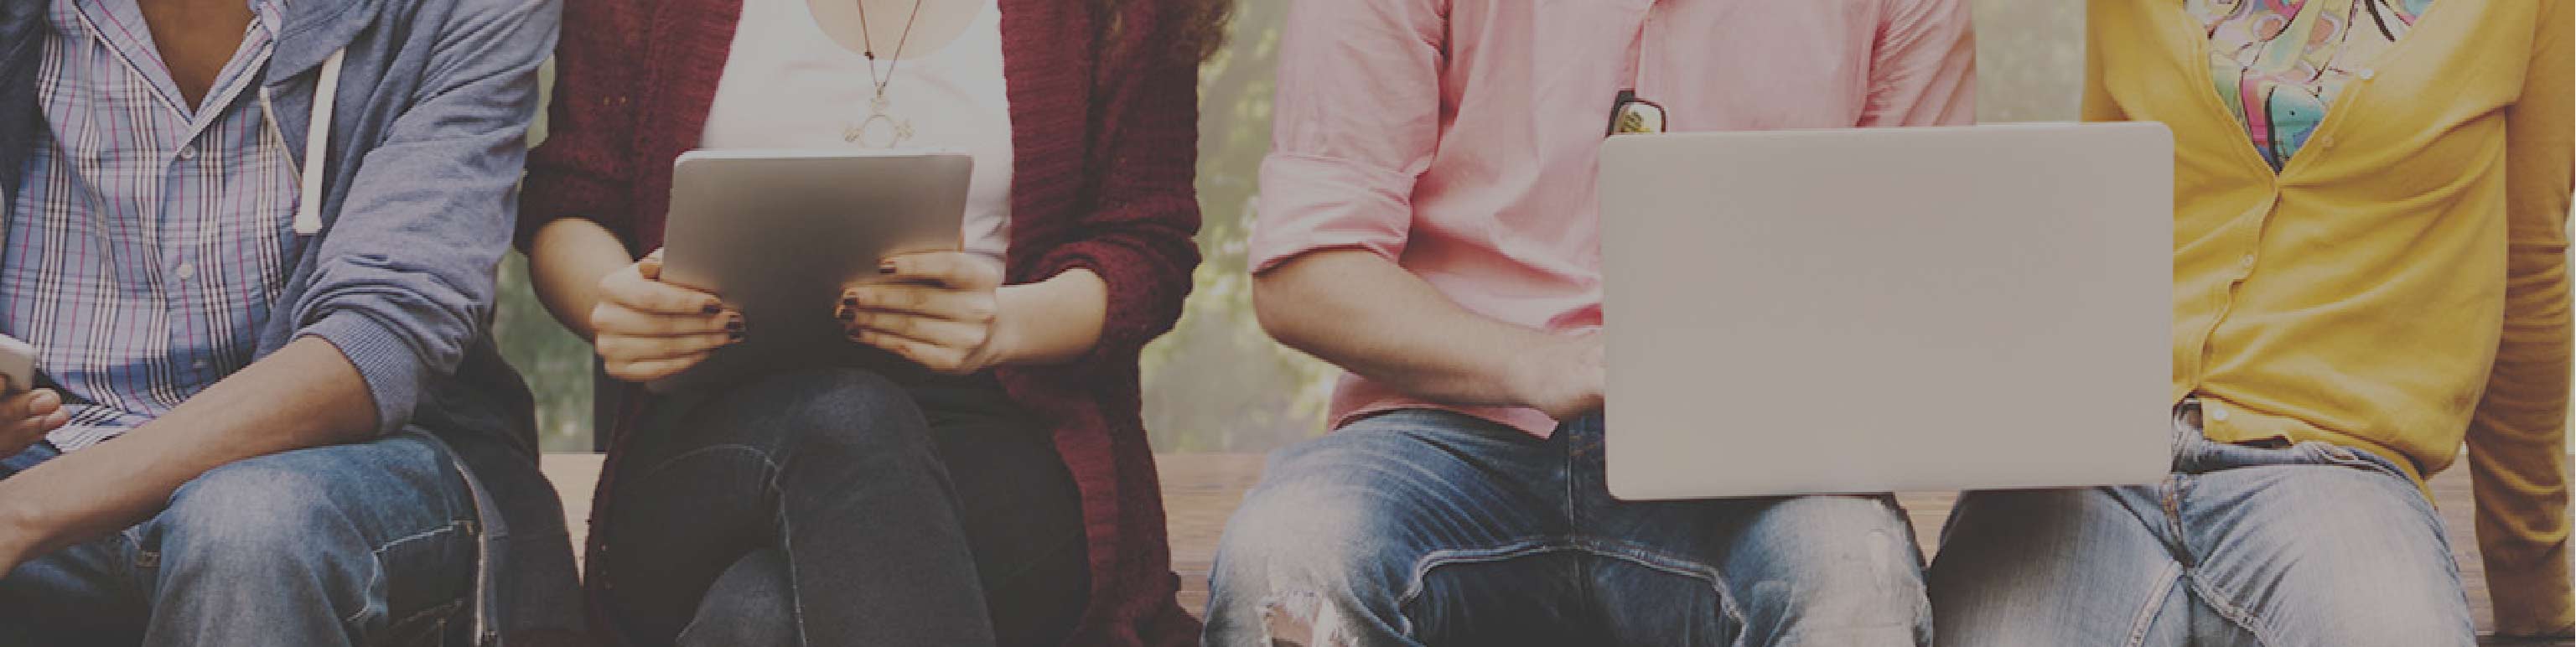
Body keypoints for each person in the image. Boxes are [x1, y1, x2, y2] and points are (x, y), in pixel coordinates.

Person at [1201, 2, 1976, 645]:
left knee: (1852, 581)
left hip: (1753, 457)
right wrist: (1540, 363)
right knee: (1288, 558)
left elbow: (1909, 275)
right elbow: (1308, 273)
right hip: (1438, 437)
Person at [517, 0, 1225, 644]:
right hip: (707, 440)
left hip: (995, 434)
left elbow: (1144, 244)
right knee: (848, 421)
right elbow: (573, 199)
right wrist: (613, 299)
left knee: (758, 617)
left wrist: (1005, 325)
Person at [1927, 0, 2573, 644]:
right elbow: (2101, 222)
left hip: (2333, 473)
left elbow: (2526, 270)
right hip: (2093, 465)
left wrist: (2532, 593)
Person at [0, 0, 583, 644]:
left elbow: (378, 339)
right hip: (43, 446)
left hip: (340, 474)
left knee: (247, 527)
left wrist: (25, 511)